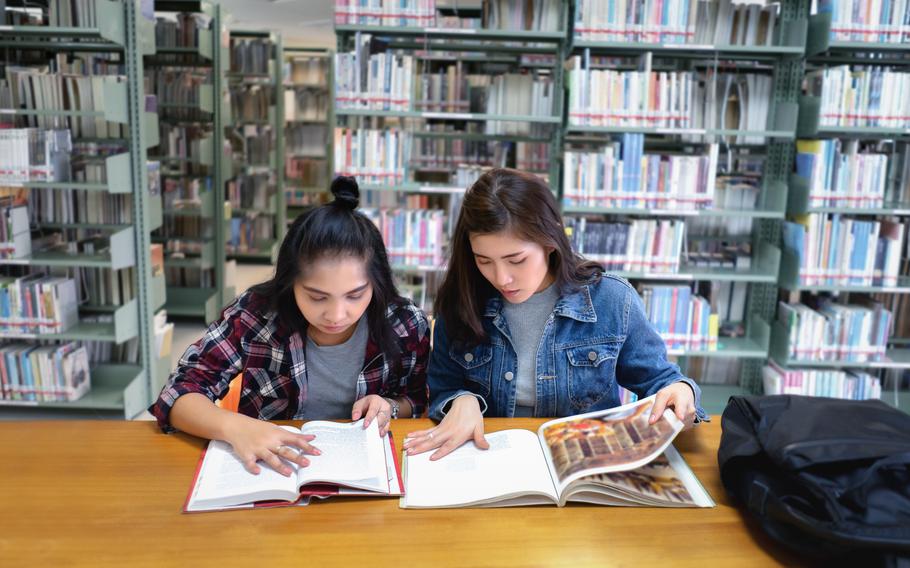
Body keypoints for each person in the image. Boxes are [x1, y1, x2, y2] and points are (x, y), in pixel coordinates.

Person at [403, 168, 706, 460]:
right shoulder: (462, 300)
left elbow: (660, 380)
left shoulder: (612, 300)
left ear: (550, 242)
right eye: (484, 261)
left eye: (516, 260)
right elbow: (443, 386)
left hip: (585, 461)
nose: (501, 277)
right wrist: (461, 400)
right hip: (489, 458)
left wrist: (679, 390)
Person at [150, 176, 430, 476]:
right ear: (290, 282)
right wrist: (235, 427)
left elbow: (416, 400)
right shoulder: (257, 315)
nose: (336, 314)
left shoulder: (404, 324)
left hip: (361, 470)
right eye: (317, 297)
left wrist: (388, 406)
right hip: (269, 468)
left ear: (376, 283)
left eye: (355, 295)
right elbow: (178, 392)